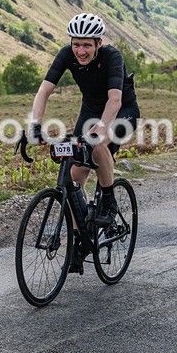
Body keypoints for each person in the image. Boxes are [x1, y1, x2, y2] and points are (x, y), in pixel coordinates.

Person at [30, 12, 140, 227]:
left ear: (99, 43)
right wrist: (34, 125)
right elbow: (44, 91)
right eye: (76, 44)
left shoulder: (112, 56)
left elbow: (115, 99)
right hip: (90, 111)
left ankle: (109, 201)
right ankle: (78, 242)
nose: (81, 51)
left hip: (122, 111)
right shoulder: (66, 55)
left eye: (87, 45)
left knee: (97, 144)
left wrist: (100, 129)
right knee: (73, 178)